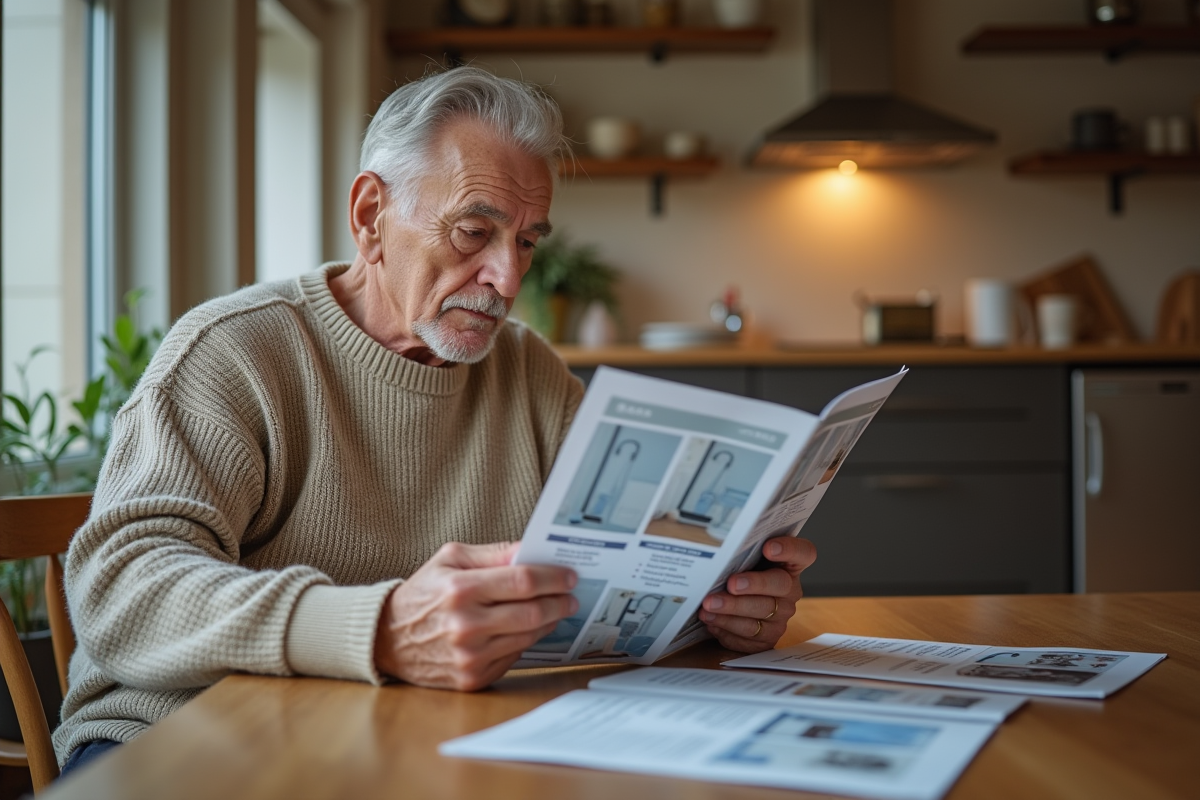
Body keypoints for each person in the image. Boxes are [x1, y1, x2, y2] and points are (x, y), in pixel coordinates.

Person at [53, 66, 817, 773]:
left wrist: (722, 609)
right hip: (186, 737)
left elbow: (626, 572)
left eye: (525, 241)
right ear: (370, 214)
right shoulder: (236, 352)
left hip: (410, 742)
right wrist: (378, 627)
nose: (507, 276)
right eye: (473, 231)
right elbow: (119, 594)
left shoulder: (532, 374)